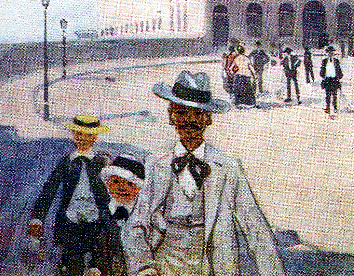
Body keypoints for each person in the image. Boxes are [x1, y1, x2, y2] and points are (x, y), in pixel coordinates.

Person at [123, 71, 284, 276]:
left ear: (208, 119)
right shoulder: (156, 164)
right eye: (181, 113)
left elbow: (255, 229)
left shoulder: (228, 167)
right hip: (163, 266)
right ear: (171, 116)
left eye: (198, 114)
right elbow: (136, 224)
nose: (189, 121)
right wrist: (143, 267)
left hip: (212, 267)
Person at [28, 114, 112, 276]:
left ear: (95, 137)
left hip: (97, 225)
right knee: (72, 267)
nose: (83, 139)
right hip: (70, 224)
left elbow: (109, 195)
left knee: (98, 268)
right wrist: (37, 218)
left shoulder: (102, 163)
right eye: (79, 134)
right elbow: (49, 190)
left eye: (88, 135)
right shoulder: (66, 162)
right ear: (74, 135)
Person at [96, 154, 146, 276]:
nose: (122, 188)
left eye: (129, 183)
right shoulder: (103, 215)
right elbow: (97, 247)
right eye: (116, 181)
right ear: (107, 184)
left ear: (138, 188)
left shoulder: (144, 217)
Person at [320, 46, 343, 114]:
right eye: (329, 52)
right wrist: (323, 75)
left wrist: (340, 76)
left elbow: (338, 69)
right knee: (327, 95)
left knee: (334, 94)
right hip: (327, 79)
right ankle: (327, 107)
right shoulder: (324, 61)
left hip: (334, 79)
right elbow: (322, 69)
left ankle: (335, 107)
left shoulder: (336, 61)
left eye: (331, 52)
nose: (330, 54)